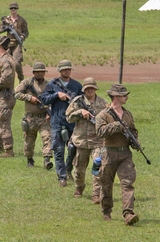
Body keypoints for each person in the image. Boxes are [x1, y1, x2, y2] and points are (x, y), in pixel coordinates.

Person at [94, 83, 139, 225]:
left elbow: (133, 130)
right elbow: (100, 132)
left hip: (125, 153)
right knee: (106, 183)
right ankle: (106, 211)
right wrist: (116, 126)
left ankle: (128, 213)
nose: (126, 97)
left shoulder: (127, 114)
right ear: (116, 96)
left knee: (127, 183)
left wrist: (134, 140)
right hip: (109, 153)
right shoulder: (103, 115)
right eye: (124, 95)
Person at [40, 60, 83, 187]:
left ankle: (69, 170)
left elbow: (83, 101)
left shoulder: (76, 85)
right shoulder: (52, 84)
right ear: (59, 71)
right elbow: (44, 99)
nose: (67, 71)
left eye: (68, 69)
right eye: (64, 69)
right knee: (58, 150)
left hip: (72, 122)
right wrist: (56, 95)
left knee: (72, 149)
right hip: (57, 122)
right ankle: (62, 177)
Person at [66, 77, 108, 202]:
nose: (90, 90)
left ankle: (96, 193)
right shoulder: (77, 102)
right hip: (81, 140)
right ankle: (79, 187)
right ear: (84, 89)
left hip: (98, 141)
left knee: (98, 167)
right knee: (78, 169)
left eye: (92, 88)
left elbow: (109, 118)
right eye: (88, 88)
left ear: (96, 89)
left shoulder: (103, 103)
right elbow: (68, 118)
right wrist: (80, 112)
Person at [14, 62, 53, 170]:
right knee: (29, 141)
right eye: (38, 72)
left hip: (44, 117)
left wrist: (50, 112)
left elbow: (52, 99)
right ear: (34, 72)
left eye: (42, 72)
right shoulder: (27, 82)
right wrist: (28, 97)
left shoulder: (49, 84)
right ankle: (29, 159)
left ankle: (47, 160)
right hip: (30, 118)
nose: (40, 74)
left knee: (47, 137)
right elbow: (16, 93)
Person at [0, 36, 17, 157]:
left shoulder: (6, 60)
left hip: (6, 96)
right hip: (2, 96)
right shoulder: (2, 59)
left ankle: (9, 150)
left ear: (0, 46)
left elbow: (7, 78)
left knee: (3, 123)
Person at [0, 2, 29, 80]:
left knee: (17, 63)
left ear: (17, 9)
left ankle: (21, 80)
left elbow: (26, 32)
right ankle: (4, 81)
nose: (13, 10)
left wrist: (22, 37)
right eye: (12, 8)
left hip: (17, 43)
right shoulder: (6, 20)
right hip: (7, 44)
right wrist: (5, 28)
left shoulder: (21, 20)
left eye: (15, 8)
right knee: (4, 62)